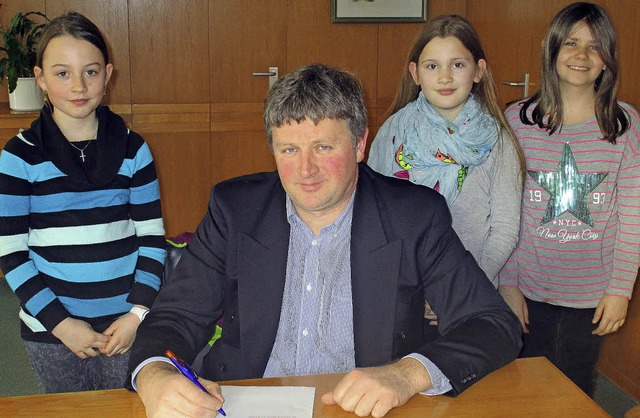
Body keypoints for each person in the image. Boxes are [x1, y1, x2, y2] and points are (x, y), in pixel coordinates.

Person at [128, 63, 521, 418]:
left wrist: (406, 374)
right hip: (244, 404)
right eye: (289, 150)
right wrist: (155, 377)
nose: (305, 170)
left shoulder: (413, 216)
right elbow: (175, 317)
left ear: (361, 144)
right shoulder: (235, 210)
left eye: (323, 147)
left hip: (363, 411)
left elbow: (492, 323)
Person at [0, 12, 166, 393]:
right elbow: (11, 253)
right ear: (40, 78)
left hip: (122, 326)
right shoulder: (19, 156)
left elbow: (152, 239)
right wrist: (61, 324)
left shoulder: (133, 149)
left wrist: (137, 314)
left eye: (90, 72)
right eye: (62, 73)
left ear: (108, 75)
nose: (78, 85)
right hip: (52, 330)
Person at [498, 2, 640, 397]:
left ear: (608, 58)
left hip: (593, 294)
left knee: (575, 386)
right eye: (572, 43)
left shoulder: (625, 127)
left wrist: (620, 290)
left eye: (595, 47)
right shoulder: (518, 121)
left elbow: (633, 216)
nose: (582, 55)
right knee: (524, 382)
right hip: (528, 287)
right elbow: (507, 212)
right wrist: (507, 283)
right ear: (552, 49)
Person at [367, 15, 522, 336]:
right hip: (402, 293)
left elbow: (505, 228)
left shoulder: (499, 139)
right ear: (415, 73)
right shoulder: (393, 133)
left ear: (478, 71)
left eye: (458, 65)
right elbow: (373, 217)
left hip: (470, 293)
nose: (445, 77)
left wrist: (463, 285)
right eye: (433, 66)